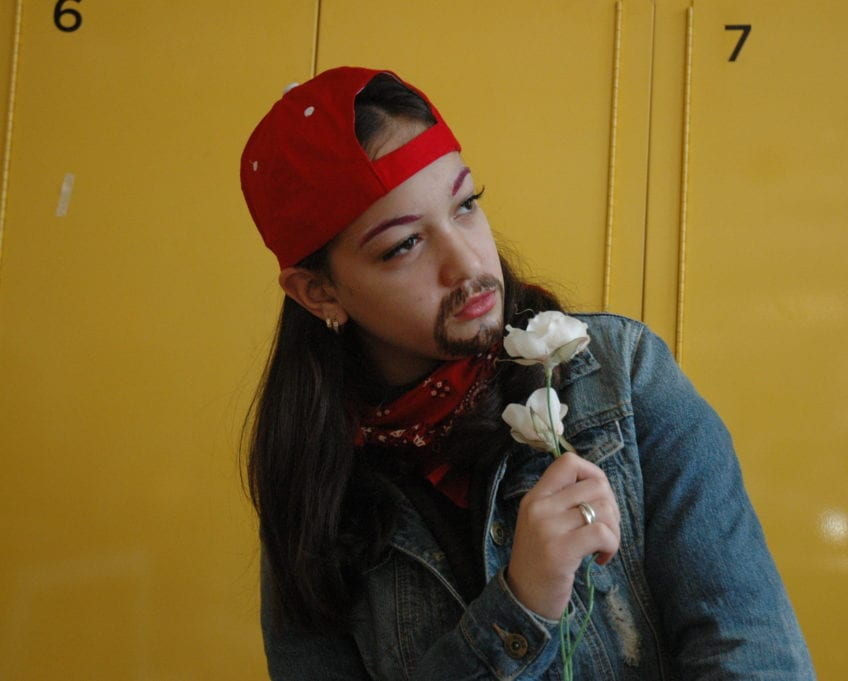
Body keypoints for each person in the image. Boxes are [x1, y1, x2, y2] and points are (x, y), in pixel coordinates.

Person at [239, 66, 815, 680]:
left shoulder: (621, 374)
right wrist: (521, 606)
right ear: (318, 292)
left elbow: (756, 657)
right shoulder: (315, 482)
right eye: (404, 245)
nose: (467, 264)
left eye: (465, 206)